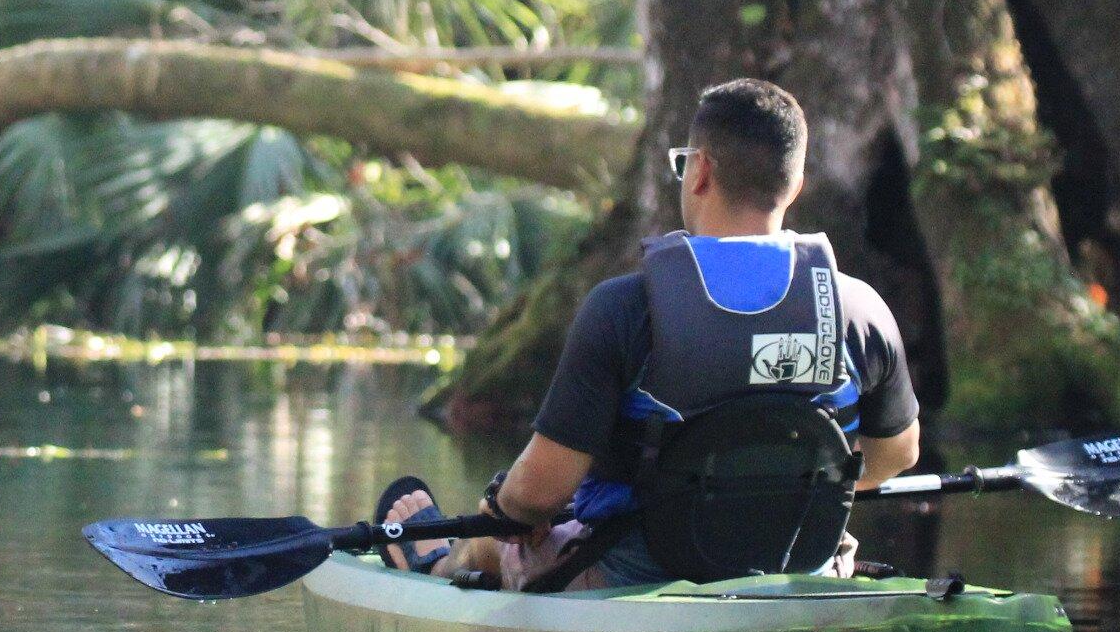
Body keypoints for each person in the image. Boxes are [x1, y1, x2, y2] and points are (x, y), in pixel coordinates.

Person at [381, 79, 921, 590]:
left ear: (700, 171)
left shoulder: (626, 309)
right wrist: (773, 492)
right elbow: (897, 455)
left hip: (634, 576)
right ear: (795, 186)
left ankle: (435, 569)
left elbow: (539, 494)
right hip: (801, 565)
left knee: (497, 543)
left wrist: (505, 510)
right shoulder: (859, 310)